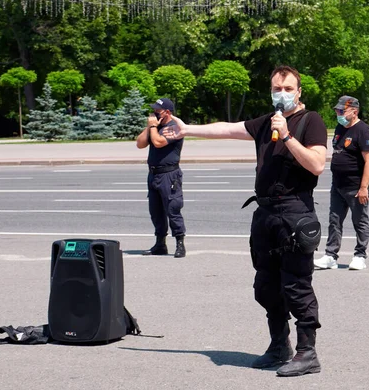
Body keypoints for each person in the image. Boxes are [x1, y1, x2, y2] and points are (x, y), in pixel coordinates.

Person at [163, 66, 327, 377]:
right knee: (266, 286)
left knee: (296, 287)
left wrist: (288, 135)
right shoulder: (266, 123)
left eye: (288, 88)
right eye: (277, 88)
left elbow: (317, 164)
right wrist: (187, 129)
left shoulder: (311, 121)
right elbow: (227, 128)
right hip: (265, 215)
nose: (281, 93)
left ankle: (308, 352)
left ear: (299, 91)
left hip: (295, 213)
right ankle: (280, 346)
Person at [313, 96, 369, 271]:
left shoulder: (363, 131)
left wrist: (364, 187)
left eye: (341, 111)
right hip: (338, 185)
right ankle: (331, 256)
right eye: (337, 110)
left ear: (354, 111)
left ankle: (360, 256)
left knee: (359, 221)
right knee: (334, 220)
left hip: (357, 186)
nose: (338, 114)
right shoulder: (341, 128)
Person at [136, 98, 186, 258]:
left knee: (172, 209)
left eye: (158, 111)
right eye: (154, 111)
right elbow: (140, 144)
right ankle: (160, 244)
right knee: (156, 211)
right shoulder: (155, 127)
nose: (155, 113)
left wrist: (152, 127)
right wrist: (150, 126)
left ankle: (180, 243)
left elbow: (158, 143)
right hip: (153, 174)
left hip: (169, 175)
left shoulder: (174, 128)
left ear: (168, 112)